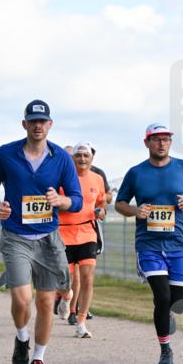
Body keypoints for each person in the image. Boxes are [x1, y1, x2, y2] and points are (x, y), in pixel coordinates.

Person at [0, 99, 82, 364]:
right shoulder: (6, 153)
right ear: (25, 124)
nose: (38, 126)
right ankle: (21, 337)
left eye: (43, 121)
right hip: (16, 236)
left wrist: (60, 200)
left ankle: (38, 359)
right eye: (33, 121)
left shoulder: (61, 159)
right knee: (22, 298)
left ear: (50, 125)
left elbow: (76, 199)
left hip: (49, 239)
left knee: (45, 301)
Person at [114, 123, 183, 364]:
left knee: (178, 302)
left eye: (166, 139)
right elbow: (120, 204)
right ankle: (165, 350)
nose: (161, 143)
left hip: (178, 242)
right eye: (156, 139)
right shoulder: (136, 172)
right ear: (147, 143)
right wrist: (135, 211)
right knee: (162, 297)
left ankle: (168, 312)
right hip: (149, 244)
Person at [57, 142, 107, 338]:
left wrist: (101, 211)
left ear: (92, 158)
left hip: (87, 233)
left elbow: (102, 201)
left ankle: (81, 322)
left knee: (87, 278)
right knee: (64, 281)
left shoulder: (97, 179)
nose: (82, 159)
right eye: (79, 156)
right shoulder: (63, 179)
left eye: (86, 156)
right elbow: (53, 203)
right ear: (73, 158)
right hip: (64, 233)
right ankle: (65, 296)